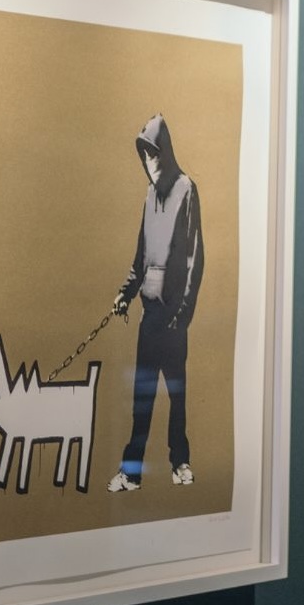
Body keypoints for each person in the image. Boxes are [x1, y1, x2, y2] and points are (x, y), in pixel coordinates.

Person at [106, 114, 205, 492]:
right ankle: (131, 471)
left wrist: (182, 316)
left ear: (165, 152)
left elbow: (195, 258)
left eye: (153, 153)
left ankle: (180, 462)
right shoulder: (148, 197)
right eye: (144, 155)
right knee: (142, 397)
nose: (150, 162)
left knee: (176, 396)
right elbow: (141, 254)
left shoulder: (186, 189)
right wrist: (126, 293)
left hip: (173, 319)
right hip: (149, 317)